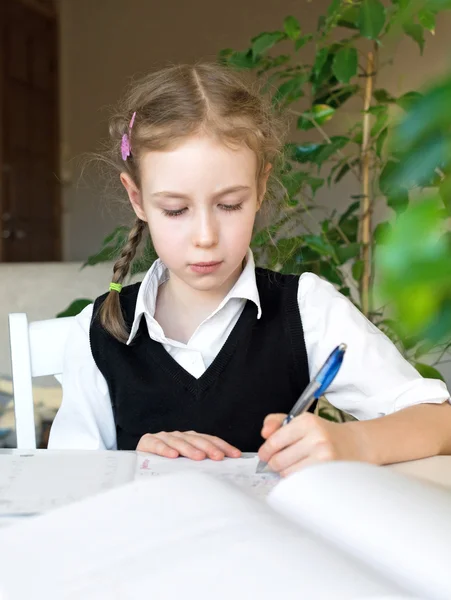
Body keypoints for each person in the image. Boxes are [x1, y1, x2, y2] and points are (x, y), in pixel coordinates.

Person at [48, 63, 451, 476]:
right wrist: (131, 462)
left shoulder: (307, 310)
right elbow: (70, 485)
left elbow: (440, 421)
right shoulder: (96, 333)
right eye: (175, 209)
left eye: (229, 205)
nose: (205, 235)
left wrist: (353, 440)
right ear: (137, 199)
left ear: (260, 189)